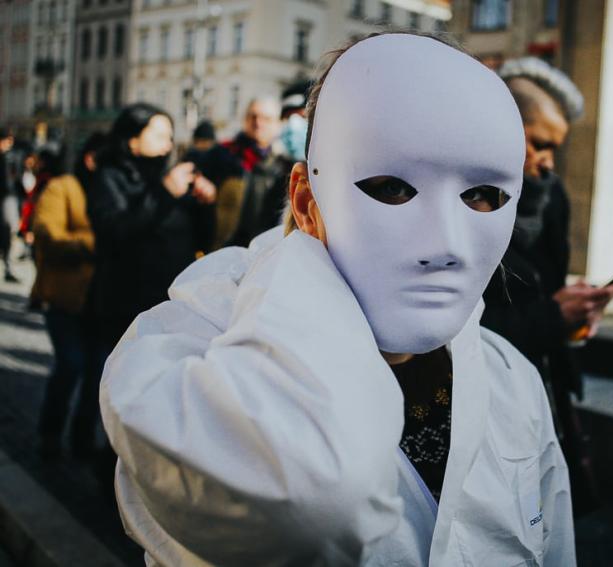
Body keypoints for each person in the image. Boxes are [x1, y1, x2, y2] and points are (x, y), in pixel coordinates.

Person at [101, 32, 576, 566]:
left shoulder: (512, 380)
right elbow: (308, 506)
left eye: (482, 195)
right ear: (306, 199)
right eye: (393, 187)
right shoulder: (196, 364)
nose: (447, 244)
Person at [481, 57, 613, 516]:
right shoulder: (462, 200)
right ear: (500, 126)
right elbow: (453, 331)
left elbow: (548, 285)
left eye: (555, 147)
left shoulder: (552, 195)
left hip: (546, 385)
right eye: (539, 144)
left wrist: (577, 311)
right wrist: (551, 316)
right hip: (485, 405)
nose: (548, 162)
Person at [87, 103, 216, 352]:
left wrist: (206, 203)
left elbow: (202, 240)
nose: (167, 145)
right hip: (122, 307)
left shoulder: (165, 176)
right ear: (132, 140)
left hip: (167, 305)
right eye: (158, 136)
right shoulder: (109, 177)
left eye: (169, 137)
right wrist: (165, 192)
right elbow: (116, 231)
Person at [31, 132, 107, 458]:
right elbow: (48, 235)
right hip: (63, 298)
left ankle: (82, 438)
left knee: (97, 374)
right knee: (70, 365)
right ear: (91, 159)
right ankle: (50, 434)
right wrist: (94, 245)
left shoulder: (112, 194)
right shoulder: (62, 187)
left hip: (101, 302)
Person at [201, 97, 287, 249]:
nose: (258, 123)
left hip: (261, 253)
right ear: (245, 119)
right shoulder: (221, 154)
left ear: (278, 124)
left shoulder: (283, 166)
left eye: (266, 119)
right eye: (253, 116)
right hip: (220, 249)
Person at [1, 127, 18, 282]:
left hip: (6, 198)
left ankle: (7, 265)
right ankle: (7, 265)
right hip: (6, 198)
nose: (10, 144)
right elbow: (8, 182)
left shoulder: (8, 157)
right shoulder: (6, 158)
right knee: (6, 231)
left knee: (7, 232)